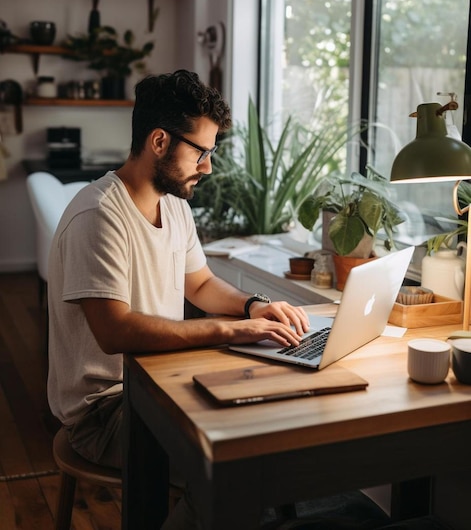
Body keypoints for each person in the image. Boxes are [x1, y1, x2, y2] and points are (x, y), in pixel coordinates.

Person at [47, 69, 309, 528]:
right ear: (160, 141)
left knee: (264, 437)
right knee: (229, 473)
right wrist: (232, 329)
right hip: (107, 410)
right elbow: (115, 331)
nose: (208, 166)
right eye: (201, 152)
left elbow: (202, 284)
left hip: (160, 383)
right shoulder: (99, 214)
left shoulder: (175, 205)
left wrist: (253, 306)